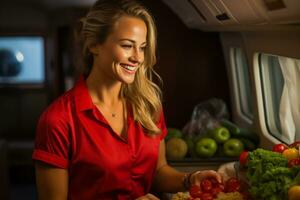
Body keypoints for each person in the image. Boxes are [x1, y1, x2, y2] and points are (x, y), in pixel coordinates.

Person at [32, 0, 222, 199]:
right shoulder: (58, 120)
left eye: (142, 47)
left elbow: (158, 172)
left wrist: (189, 179)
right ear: (94, 44)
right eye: (127, 46)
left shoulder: (148, 106)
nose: (138, 58)